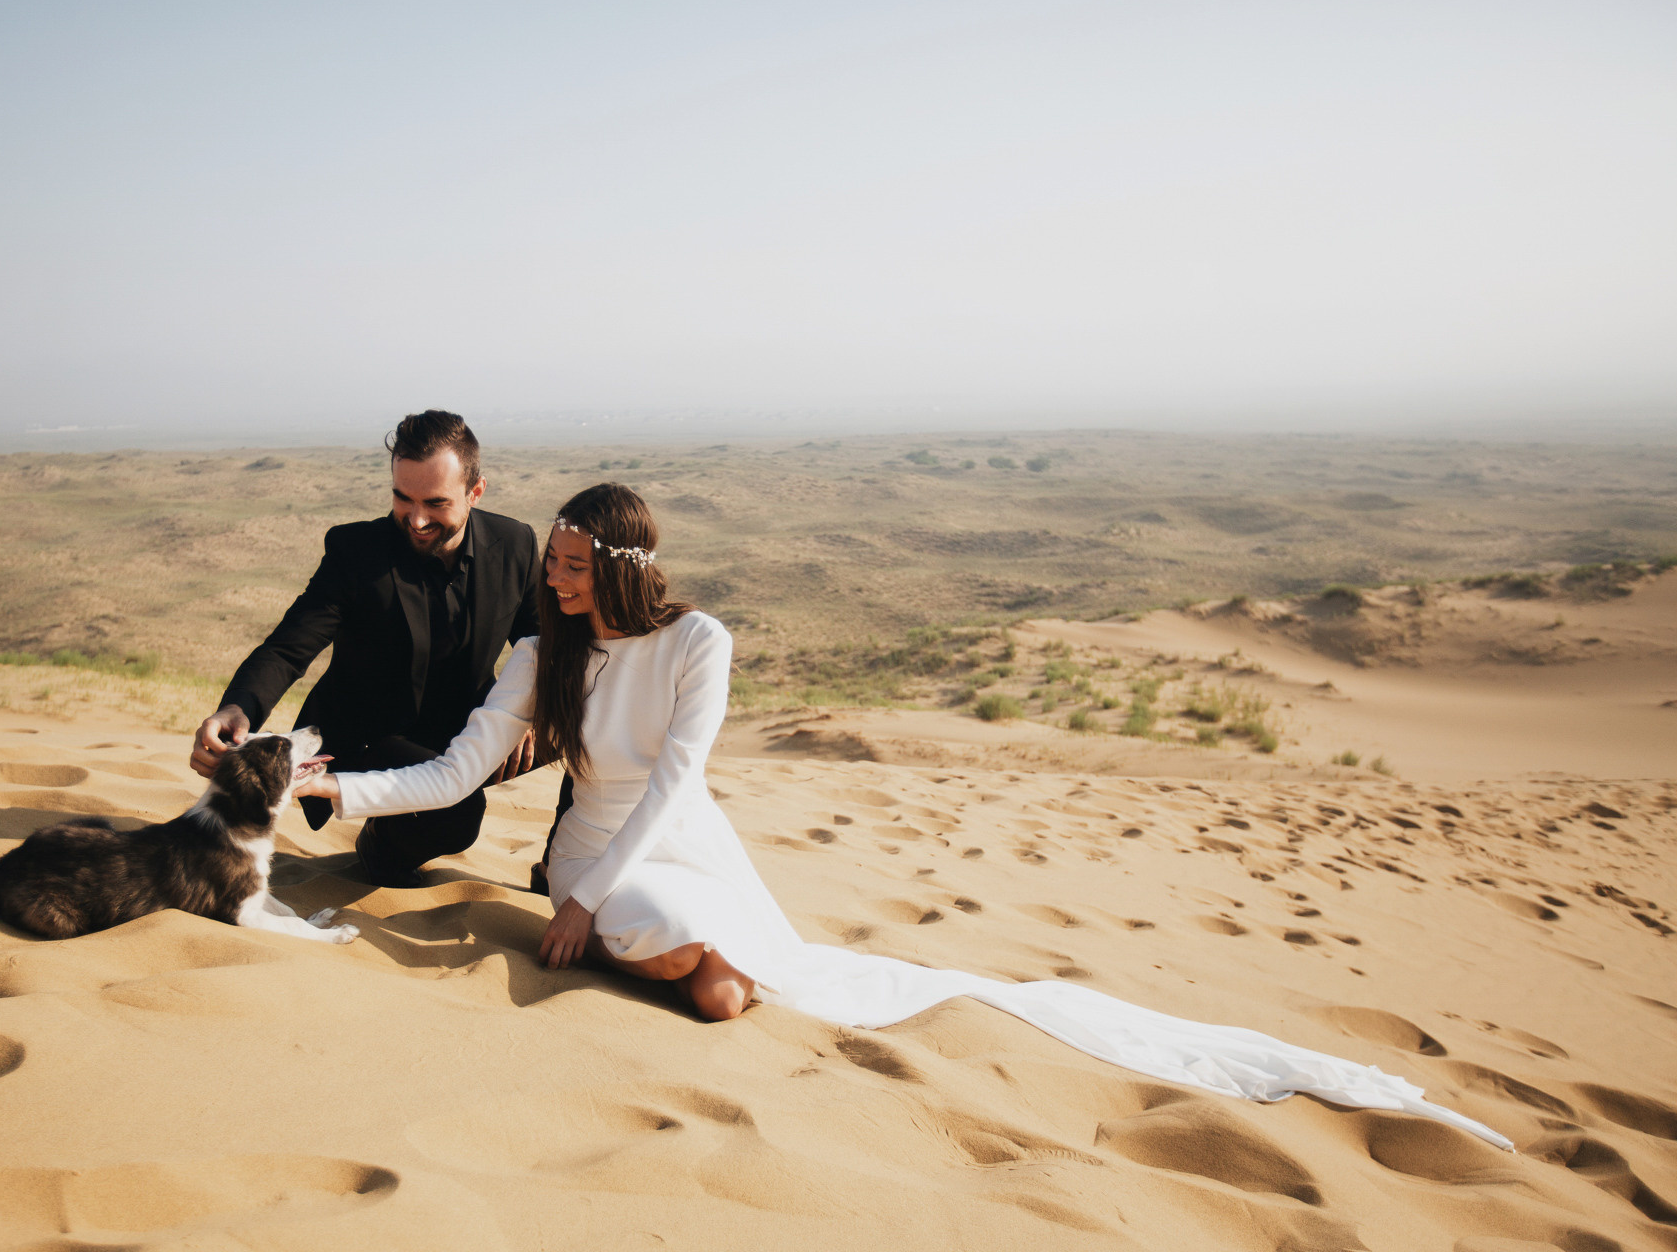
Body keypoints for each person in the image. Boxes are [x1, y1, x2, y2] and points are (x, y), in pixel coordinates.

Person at [292, 484, 1512, 1149]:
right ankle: (699, 960)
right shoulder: (538, 656)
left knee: (691, 954)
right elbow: (453, 772)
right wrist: (337, 788)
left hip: (676, 845)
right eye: (548, 567)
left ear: (614, 565)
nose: (548, 584)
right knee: (698, 977)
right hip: (587, 847)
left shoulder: (697, 642)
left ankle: (698, 952)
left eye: (566, 568)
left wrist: (591, 905)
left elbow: (675, 782)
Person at [191, 411, 542, 886]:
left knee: (592, 726)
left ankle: (559, 869)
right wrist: (237, 708)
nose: (416, 519)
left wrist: (531, 712)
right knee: (458, 814)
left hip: (470, 728)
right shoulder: (355, 552)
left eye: (435, 503)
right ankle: (382, 849)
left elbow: (539, 641)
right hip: (373, 738)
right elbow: (289, 647)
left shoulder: (515, 543)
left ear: (475, 491)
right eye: (402, 497)